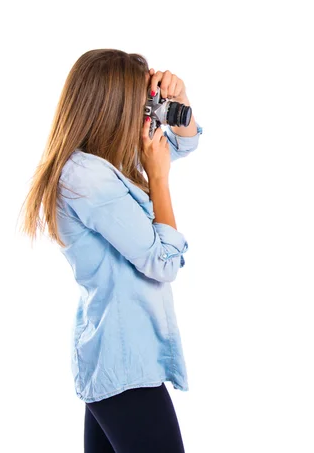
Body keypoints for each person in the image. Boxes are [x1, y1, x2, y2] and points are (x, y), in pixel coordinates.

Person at [21, 49, 202, 453]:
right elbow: (163, 261)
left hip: (118, 361)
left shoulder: (98, 164)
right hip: (125, 363)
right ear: (114, 109)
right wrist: (158, 178)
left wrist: (182, 102)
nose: (150, 114)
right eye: (142, 105)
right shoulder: (87, 178)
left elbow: (183, 146)